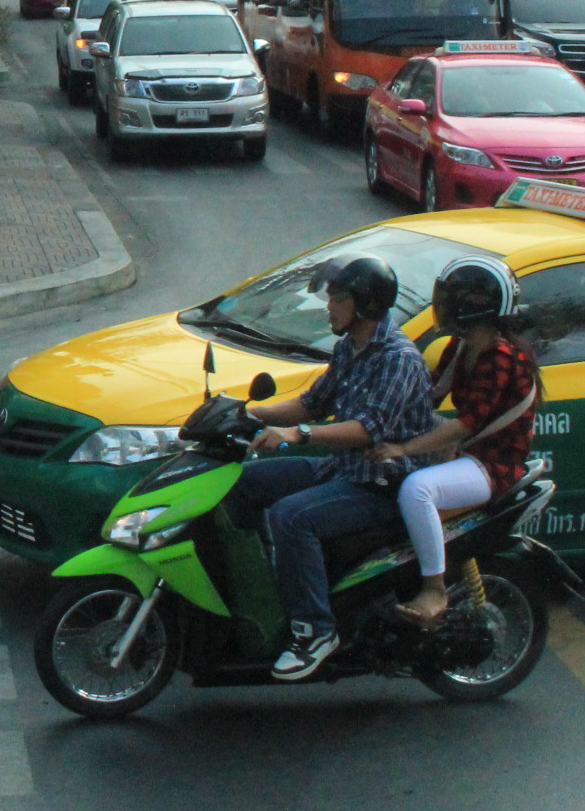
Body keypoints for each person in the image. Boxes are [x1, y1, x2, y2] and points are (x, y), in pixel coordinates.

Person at [229, 255, 438, 680]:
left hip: (382, 485)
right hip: (343, 470)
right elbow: (311, 402)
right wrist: (249, 415)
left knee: (291, 517)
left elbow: (367, 430)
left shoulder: (398, 358)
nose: (329, 306)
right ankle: (264, 590)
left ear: (363, 305)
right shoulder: (350, 348)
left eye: (337, 298)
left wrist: (299, 435)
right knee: (241, 481)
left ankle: (315, 631)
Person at [379, 258, 542, 628]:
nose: (444, 307)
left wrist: (403, 448)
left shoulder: (500, 356)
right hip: (465, 454)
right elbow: (428, 396)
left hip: (492, 463)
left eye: (452, 300)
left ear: (474, 308)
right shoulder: (461, 346)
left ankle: (434, 590)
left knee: (416, 491)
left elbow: (467, 424)